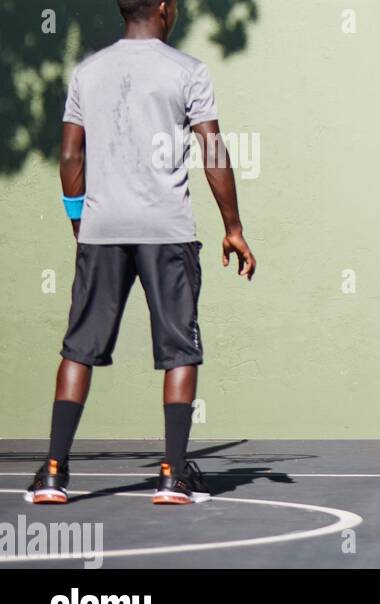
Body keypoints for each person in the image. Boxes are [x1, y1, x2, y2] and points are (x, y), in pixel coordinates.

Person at [26, 0, 257, 506]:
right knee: (179, 349)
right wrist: (234, 227)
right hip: (165, 229)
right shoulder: (187, 72)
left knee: (77, 348)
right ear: (164, 9)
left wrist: (79, 223)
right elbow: (212, 150)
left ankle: (51, 472)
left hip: (102, 228)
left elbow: (70, 155)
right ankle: (172, 474)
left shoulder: (88, 72)